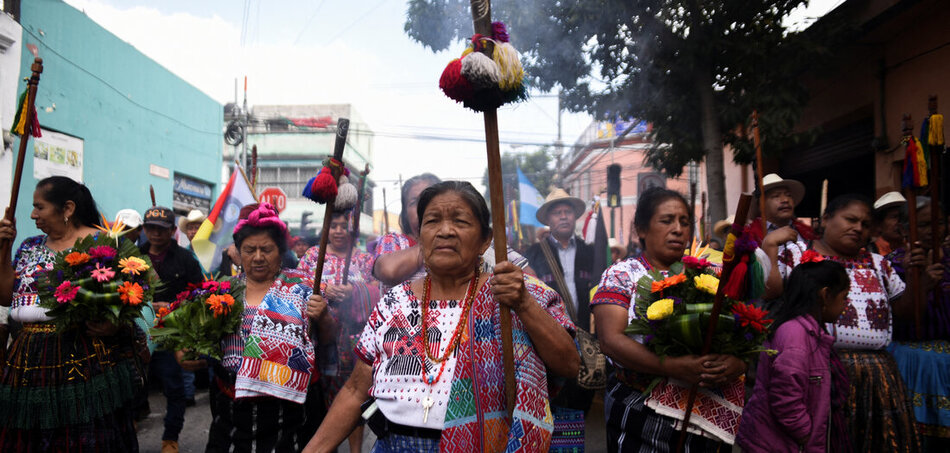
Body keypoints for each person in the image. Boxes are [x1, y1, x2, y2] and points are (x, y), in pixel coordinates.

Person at [302, 181, 579, 452]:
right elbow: (354, 390)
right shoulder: (393, 301)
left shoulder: (511, 295)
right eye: (432, 221)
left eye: (460, 221)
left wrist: (523, 304)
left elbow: (569, 364)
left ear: (485, 240)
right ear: (420, 235)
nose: (445, 231)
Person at [763, 194, 933, 452]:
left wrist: (914, 276)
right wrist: (769, 248)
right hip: (819, 370)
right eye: (850, 220)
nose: (858, 228)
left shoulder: (879, 264)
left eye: (865, 224)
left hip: (878, 377)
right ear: (827, 219)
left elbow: (906, 313)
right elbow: (770, 292)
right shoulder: (798, 255)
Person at [592, 187, 747, 452]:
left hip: (704, 419)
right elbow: (610, 339)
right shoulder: (622, 273)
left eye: (684, 222)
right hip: (639, 413)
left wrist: (737, 362)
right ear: (641, 229)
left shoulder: (712, 273)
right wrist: (671, 366)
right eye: (667, 220)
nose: (678, 229)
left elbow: (744, 331)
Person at [180, 203, 336, 452]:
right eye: (249, 250)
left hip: (290, 411)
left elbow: (328, 339)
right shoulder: (223, 291)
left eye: (267, 249)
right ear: (238, 252)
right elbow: (201, 341)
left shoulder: (305, 287)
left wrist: (325, 316)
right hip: (232, 407)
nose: (258, 257)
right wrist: (189, 352)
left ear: (281, 251)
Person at [0, 176, 139, 451]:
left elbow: (134, 295)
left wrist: (114, 324)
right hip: (28, 358)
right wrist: (3, 250)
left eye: (40, 207)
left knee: (85, 435)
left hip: (85, 355)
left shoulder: (105, 242)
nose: (32, 214)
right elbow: (5, 295)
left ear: (67, 208)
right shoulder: (29, 246)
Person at [736, 260, 852, 452]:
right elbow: (786, 397)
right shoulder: (795, 336)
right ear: (825, 295)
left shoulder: (810, 332)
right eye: (844, 297)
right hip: (781, 444)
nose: (845, 305)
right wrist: (805, 433)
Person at [297, 210, 379, 453]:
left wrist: (355, 290)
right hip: (323, 340)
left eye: (344, 226)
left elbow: (378, 287)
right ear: (326, 229)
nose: (339, 231)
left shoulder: (364, 259)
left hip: (355, 340)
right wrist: (325, 289)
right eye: (333, 226)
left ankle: (356, 451)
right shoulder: (314, 255)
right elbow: (299, 281)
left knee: (355, 396)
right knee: (323, 395)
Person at [523, 187, 597, 451]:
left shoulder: (592, 252)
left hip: (588, 342)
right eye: (558, 212)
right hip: (550, 342)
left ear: (575, 217)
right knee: (554, 407)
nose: (564, 216)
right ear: (548, 220)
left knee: (580, 404)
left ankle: (568, 444)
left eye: (568, 211)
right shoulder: (532, 254)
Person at [372, 173, 530, 293]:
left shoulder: (477, 240)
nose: (422, 206)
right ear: (405, 213)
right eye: (414, 202)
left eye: (429, 198)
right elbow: (389, 270)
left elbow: (528, 278)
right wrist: (435, 243)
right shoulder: (394, 241)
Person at [886, 196, 950, 450]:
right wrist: (922, 283)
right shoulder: (892, 264)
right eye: (924, 224)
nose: (934, 230)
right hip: (913, 361)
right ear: (904, 228)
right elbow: (902, 315)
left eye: (940, 222)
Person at [140, 206, 204, 453]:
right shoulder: (133, 256)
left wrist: (175, 305)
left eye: (162, 229)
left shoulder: (185, 259)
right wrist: (147, 305)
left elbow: (200, 293)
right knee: (134, 384)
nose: (156, 234)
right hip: (140, 330)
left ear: (173, 231)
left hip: (171, 330)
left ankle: (170, 437)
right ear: (145, 230)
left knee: (174, 387)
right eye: (151, 228)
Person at [748, 173, 817, 244]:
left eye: (788, 195)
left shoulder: (806, 232)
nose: (785, 200)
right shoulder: (750, 237)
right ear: (761, 205)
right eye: (776, 196)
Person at [869, 191, 907, 256]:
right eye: (894, 217)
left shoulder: (912, 247)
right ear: (879, 224)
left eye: (902, 217)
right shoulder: (868, 252)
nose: (899, 222)